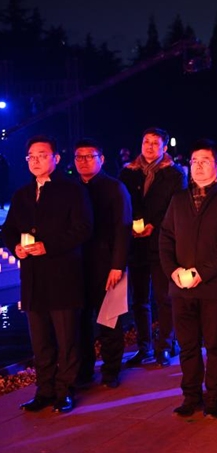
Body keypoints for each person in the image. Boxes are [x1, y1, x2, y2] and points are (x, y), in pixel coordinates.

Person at [4, 135, 93, 413]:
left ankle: (64, 390)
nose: (36, 160)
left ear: (55, 158)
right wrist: (15, 246)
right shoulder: (22, 194)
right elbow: (8, 229)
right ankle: (43, 390)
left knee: (67, 338)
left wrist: (48, 246)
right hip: (32, 279)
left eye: (42, 155)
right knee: (40, 340)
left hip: (63, 275)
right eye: (31, 156)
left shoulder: (72, 191)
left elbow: (83, 229)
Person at [160, 139, 217, 419]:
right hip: (181, 288)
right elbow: (166, 238)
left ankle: (214, 398)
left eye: (204, 161)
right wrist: (173, 271)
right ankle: (190, 396)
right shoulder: (178, 200)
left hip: (214, 288)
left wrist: (201, 273)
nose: (197, 166)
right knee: (187, 345)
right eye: (194, 161)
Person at [119, 128, 187, 368]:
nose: (149, 147)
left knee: (164, 297)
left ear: (164, 148)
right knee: (139, 299)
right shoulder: (128, 173)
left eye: (155, 143)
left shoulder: (175, 174)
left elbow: (178, 207)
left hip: (162, 242)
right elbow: (123, 205)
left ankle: (166, 345)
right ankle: (144, 346)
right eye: (145, 142)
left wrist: (155, 226)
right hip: (136, 244)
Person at [73, 139, 132, 389]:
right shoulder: (70, 188)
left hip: (108, 265)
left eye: (90, 156)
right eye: (79, 156)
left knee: (110, 320)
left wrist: (118, 265)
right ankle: (84, 370)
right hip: (76, 266)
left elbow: (123, 229)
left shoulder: (115, 188)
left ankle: (111, 371)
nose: (84, 161)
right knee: (80, 321)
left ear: (102, 159)